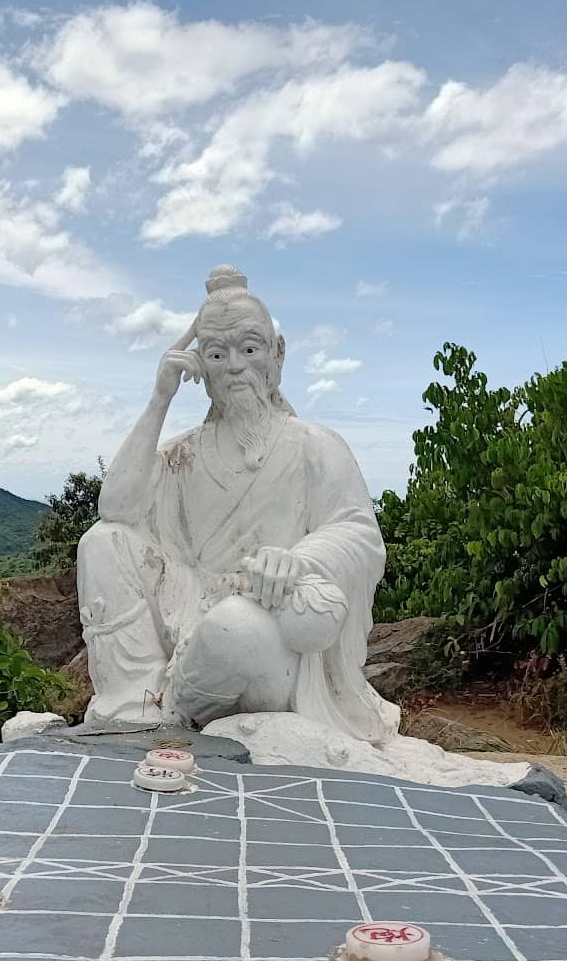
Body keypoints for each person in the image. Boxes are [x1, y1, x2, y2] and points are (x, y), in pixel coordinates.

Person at [77, 264, 398, 741]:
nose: (234, 366)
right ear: (200, 366)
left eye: (249, 349)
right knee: (101, 542)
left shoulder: (314, 445)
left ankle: (179, 705)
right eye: (216, 353)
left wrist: (297, 560)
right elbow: (116, 509)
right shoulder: (184, 453)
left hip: (264, 619)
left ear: (277, 353)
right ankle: (136, 703)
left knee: (235, 630)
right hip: (184, 609)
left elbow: (359, 534)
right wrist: (160, 397)